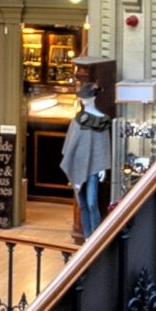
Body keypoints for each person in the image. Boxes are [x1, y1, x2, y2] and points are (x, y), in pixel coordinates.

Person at [61, 81, 114, 239]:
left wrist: (102, 167)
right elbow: (71, 144)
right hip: (78, 166)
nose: (83, 100)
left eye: (85, 97)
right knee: (82, 204)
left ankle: (96, 238)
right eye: (82, 97)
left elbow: (103, 146)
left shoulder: (102, 120)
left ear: (92, 98)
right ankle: (87, 237)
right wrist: (71, 165)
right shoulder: (77, 119)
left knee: (92, 202)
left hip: (93, 168)